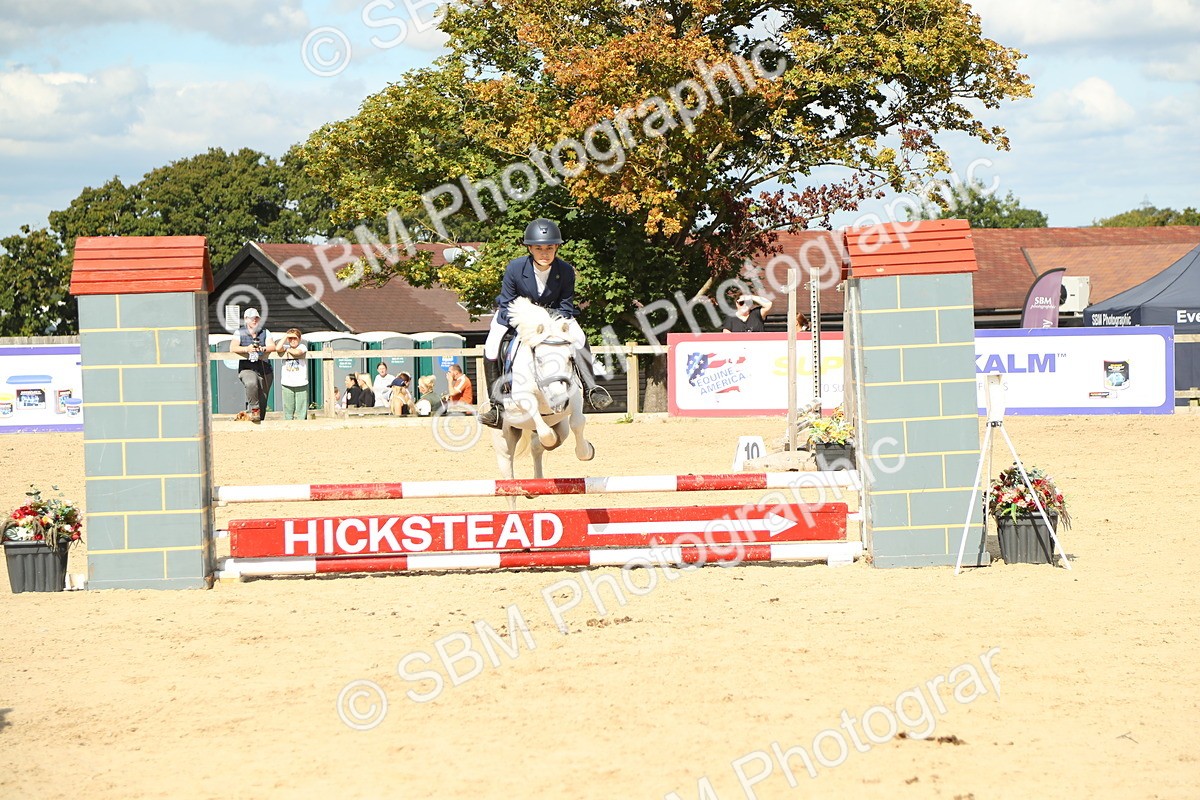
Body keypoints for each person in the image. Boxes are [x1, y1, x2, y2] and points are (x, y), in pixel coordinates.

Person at [477, 218, 613, 429]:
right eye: (539, 248)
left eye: (550, 247)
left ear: (556, 247)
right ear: (530, 248)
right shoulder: (515, 268)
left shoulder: (565, 270)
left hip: (555, 318)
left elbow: (566, 306)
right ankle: (496, 406)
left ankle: (592, 390)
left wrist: (544, 318)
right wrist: (530, 318)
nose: (544, 252)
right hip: (515, 318)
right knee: (492, 345)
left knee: (579, 337)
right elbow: (507, 304)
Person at [233, 308, 277, 423]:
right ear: (246, 319)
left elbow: (272, 346)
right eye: (252, 318)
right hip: (247, 368)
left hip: (264, 368)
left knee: (263, 399)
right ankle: (254, 409)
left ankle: (258, 420)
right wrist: (246, 349)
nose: (255, 320)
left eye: (256, 318)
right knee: (251, 383)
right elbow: (233, 347)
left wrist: (264, 348)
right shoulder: (239, 332)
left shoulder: (265, 332)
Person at [279, 328, 309, 420]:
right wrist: (286, 336)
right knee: (288, 411)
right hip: (287, 384)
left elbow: (298, 352)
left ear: (299, 339)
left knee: (301, 411)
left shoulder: (302, 346)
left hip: (301, 383)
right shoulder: (285, 347)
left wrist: (288, 351)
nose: (292, 340)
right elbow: (277, 348)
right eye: (290, 338)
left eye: (295, 338)